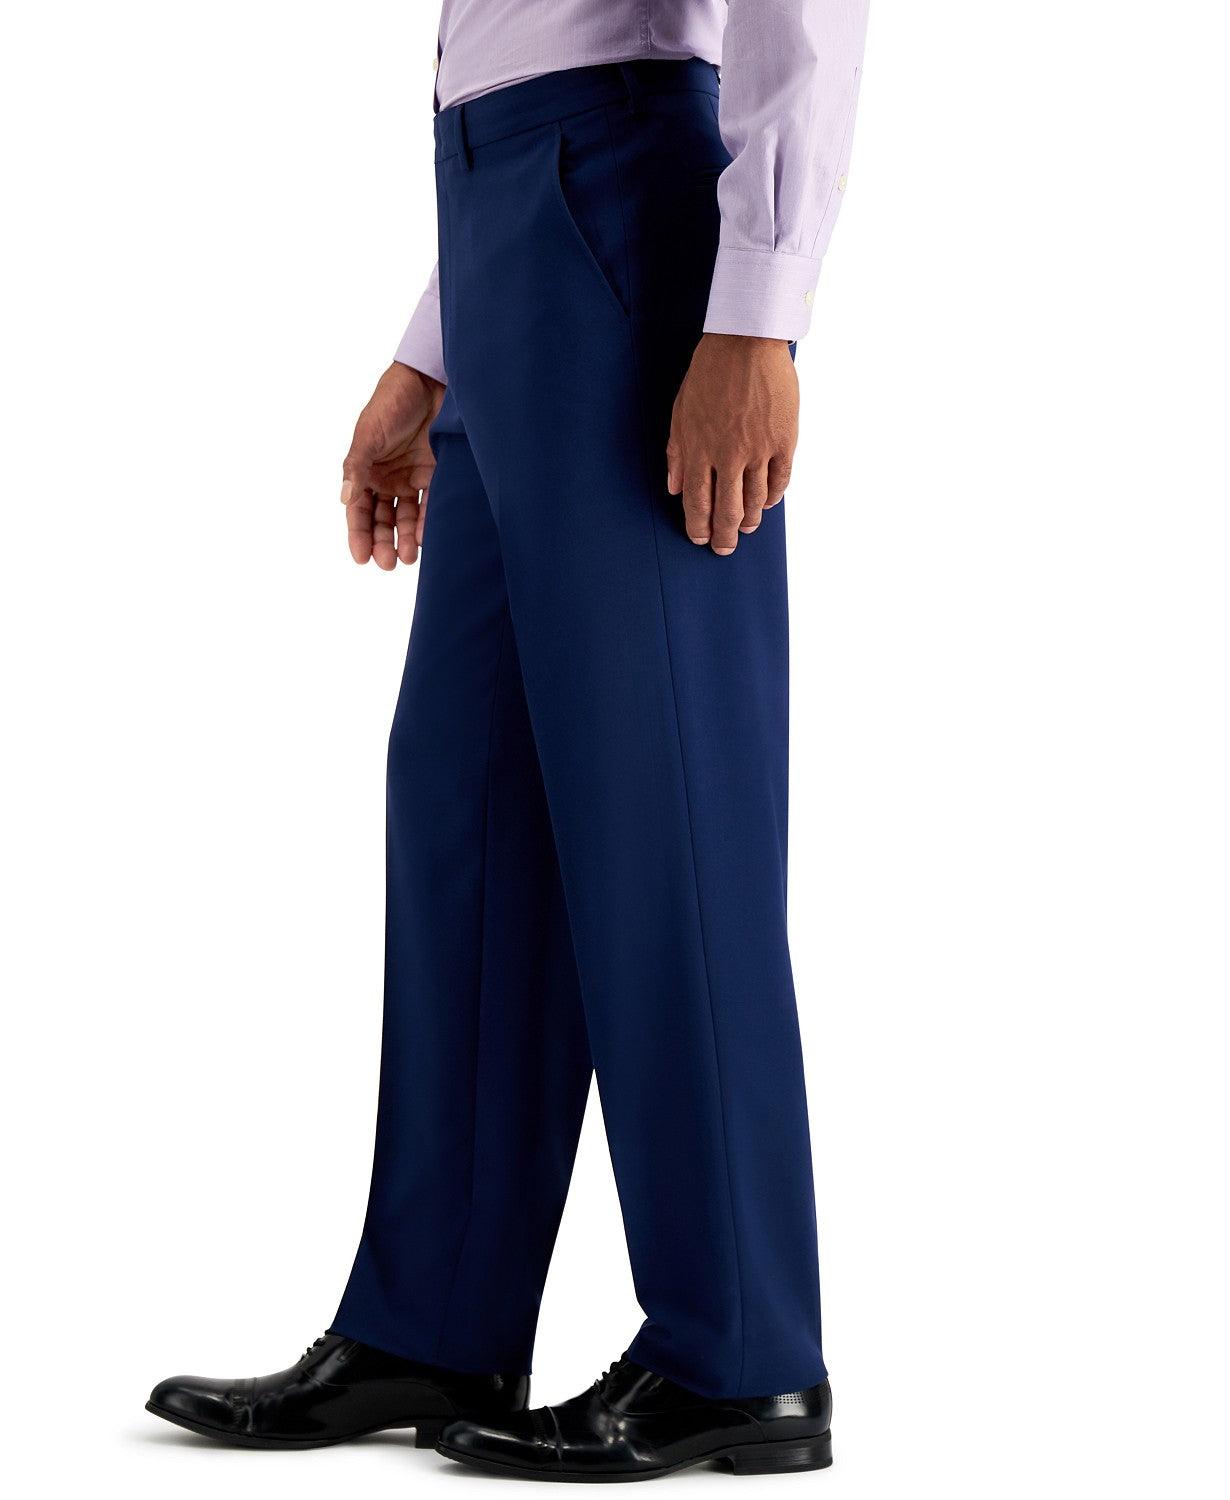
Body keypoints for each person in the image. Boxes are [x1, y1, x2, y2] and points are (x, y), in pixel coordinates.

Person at [147, 0, 869, 1481]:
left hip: (619, 195)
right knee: (467, 802)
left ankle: (742, 1354)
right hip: (501, 214)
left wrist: (757, 312)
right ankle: (435, 1321)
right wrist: (431, 350)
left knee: (666, 807)